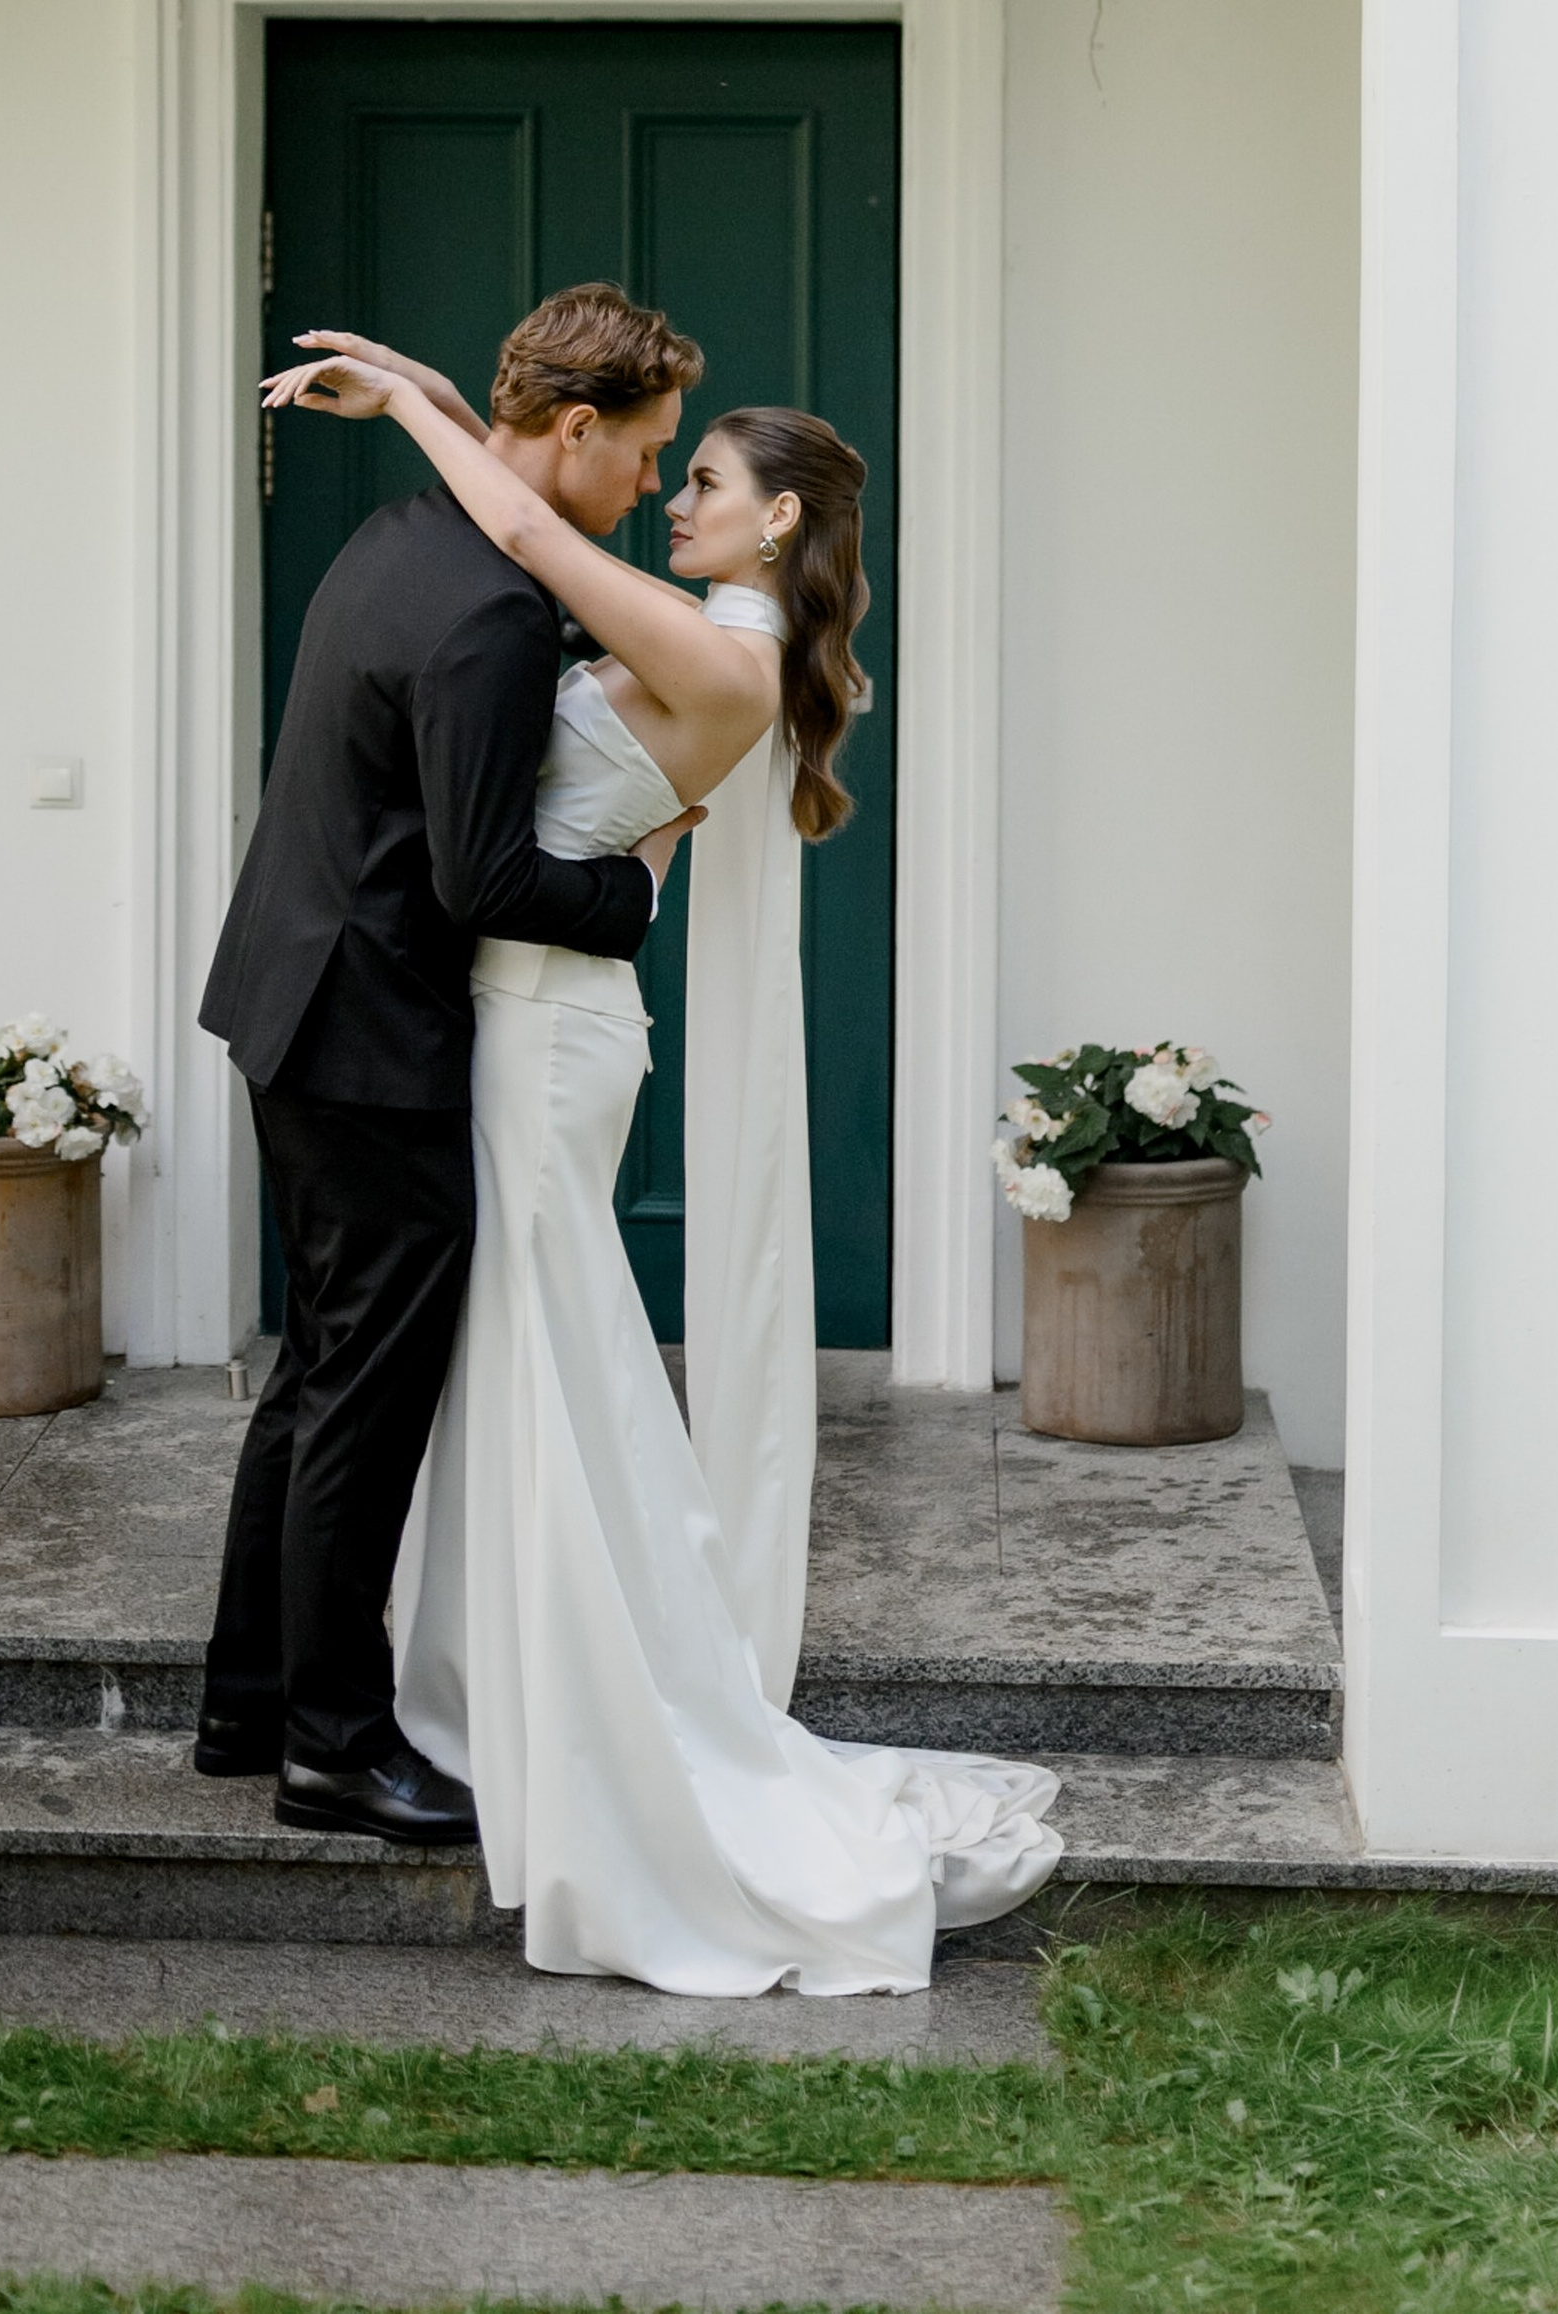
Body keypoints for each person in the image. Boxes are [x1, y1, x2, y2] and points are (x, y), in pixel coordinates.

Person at [261, 324, 1061, 1993]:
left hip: (543, 1036)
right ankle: (450, 1690)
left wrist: (413, 402)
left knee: (547, 1366)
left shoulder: (727, 653)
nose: (666, 493)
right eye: (662, 460)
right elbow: (536, 501)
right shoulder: (704, 628)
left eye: (699, 478)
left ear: (777, 523)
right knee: (497, 1362)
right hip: (513, 1025)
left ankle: (569, 1711)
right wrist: (437, 389)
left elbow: (534, 530)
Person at [193, 286, 708, 1847]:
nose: (645, 487)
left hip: (290, 999)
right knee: (366, 1385)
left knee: (319, 1368)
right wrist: (640, 883)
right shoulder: (490, 610)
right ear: (573, 430)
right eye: (644, 454)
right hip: (371, 1040)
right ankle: (335, 1748)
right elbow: (484, 880)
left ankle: (252, 1700)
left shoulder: (407, 528)